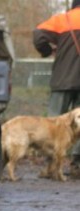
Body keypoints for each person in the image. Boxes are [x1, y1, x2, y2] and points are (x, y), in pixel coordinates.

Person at [33, 0, 80, 176]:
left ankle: (51, 165)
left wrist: (46, 50)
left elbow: (38, 34)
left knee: (52, 124)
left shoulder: (63, 20)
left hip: (63, 79)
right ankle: (77, 165)